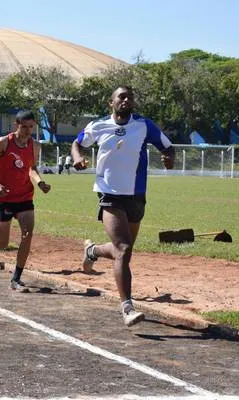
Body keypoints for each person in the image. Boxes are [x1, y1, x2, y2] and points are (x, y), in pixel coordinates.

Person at [71, 85, 175, 327]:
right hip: (110, 194)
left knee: (123, 252)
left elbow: (168, 146)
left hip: (137, 195)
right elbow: (78, 143)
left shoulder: (144, 125)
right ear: (112, 102)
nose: (126, 100)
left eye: (130, 97)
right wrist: (77, 158)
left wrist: (170, 159)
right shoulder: (98, 125)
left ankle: (92, 251)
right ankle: (127, 307)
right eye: (121, 97)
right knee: (123, 248)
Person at [0, 110, 51, 292]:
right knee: (2, 245)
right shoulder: (4, 142)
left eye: (31, 127)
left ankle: (16, 278)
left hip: (24, 196)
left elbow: (32, 168)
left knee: (27, 234)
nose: (28, 131)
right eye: (24, 127)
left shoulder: (35, 145)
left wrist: (40, 182)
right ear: (16, 125)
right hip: (4, 197)